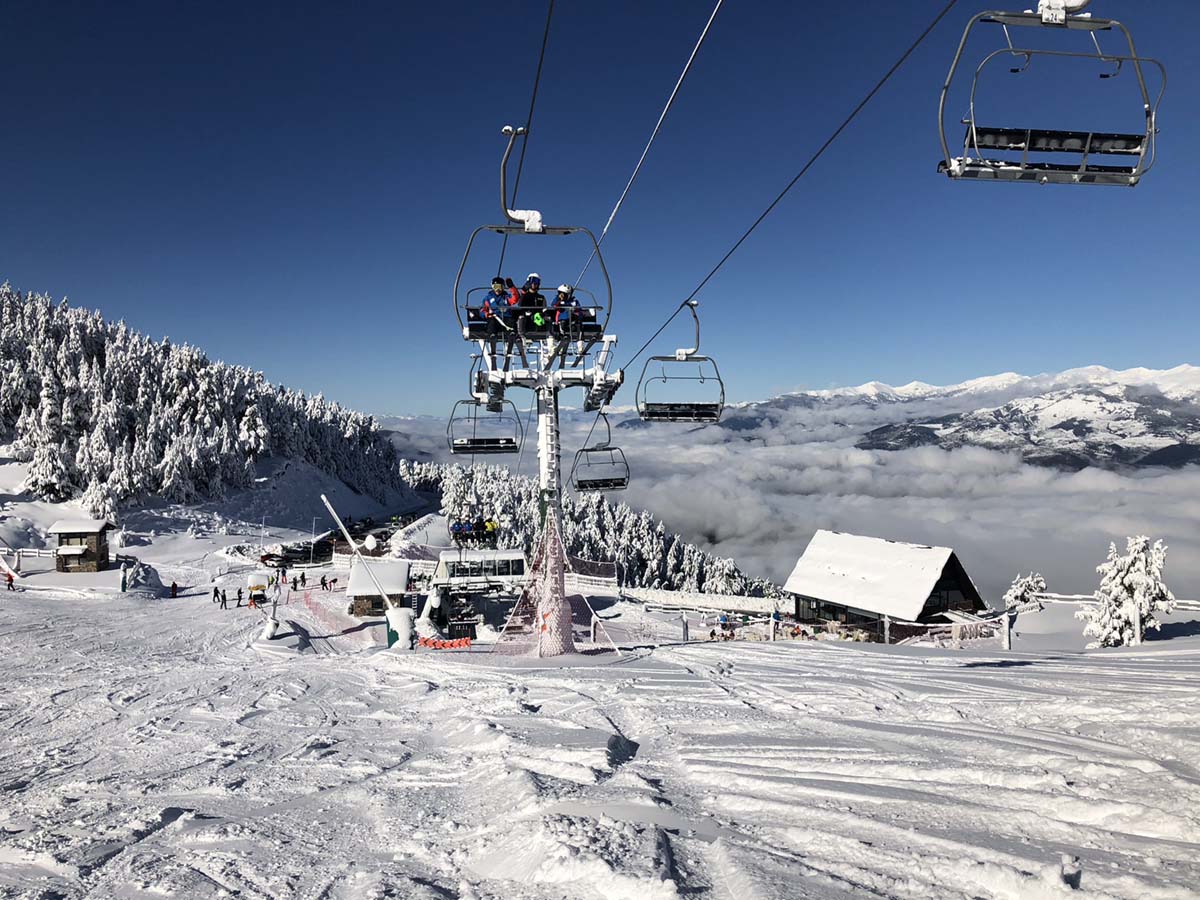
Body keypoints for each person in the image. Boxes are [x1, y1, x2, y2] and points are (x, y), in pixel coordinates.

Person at [481, 276, 518, 369]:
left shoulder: (506, 297)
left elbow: (515, 298)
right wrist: (486, 314)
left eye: (500, 287)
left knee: (511, 321)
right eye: (495, 287)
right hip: (495, 318)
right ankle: (492, 337)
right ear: (492, 287)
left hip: (506, 318)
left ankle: (511, 335)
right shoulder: (488, 298)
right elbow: (482, 309)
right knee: (491, 321)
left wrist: (512, 287)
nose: (498, 289)